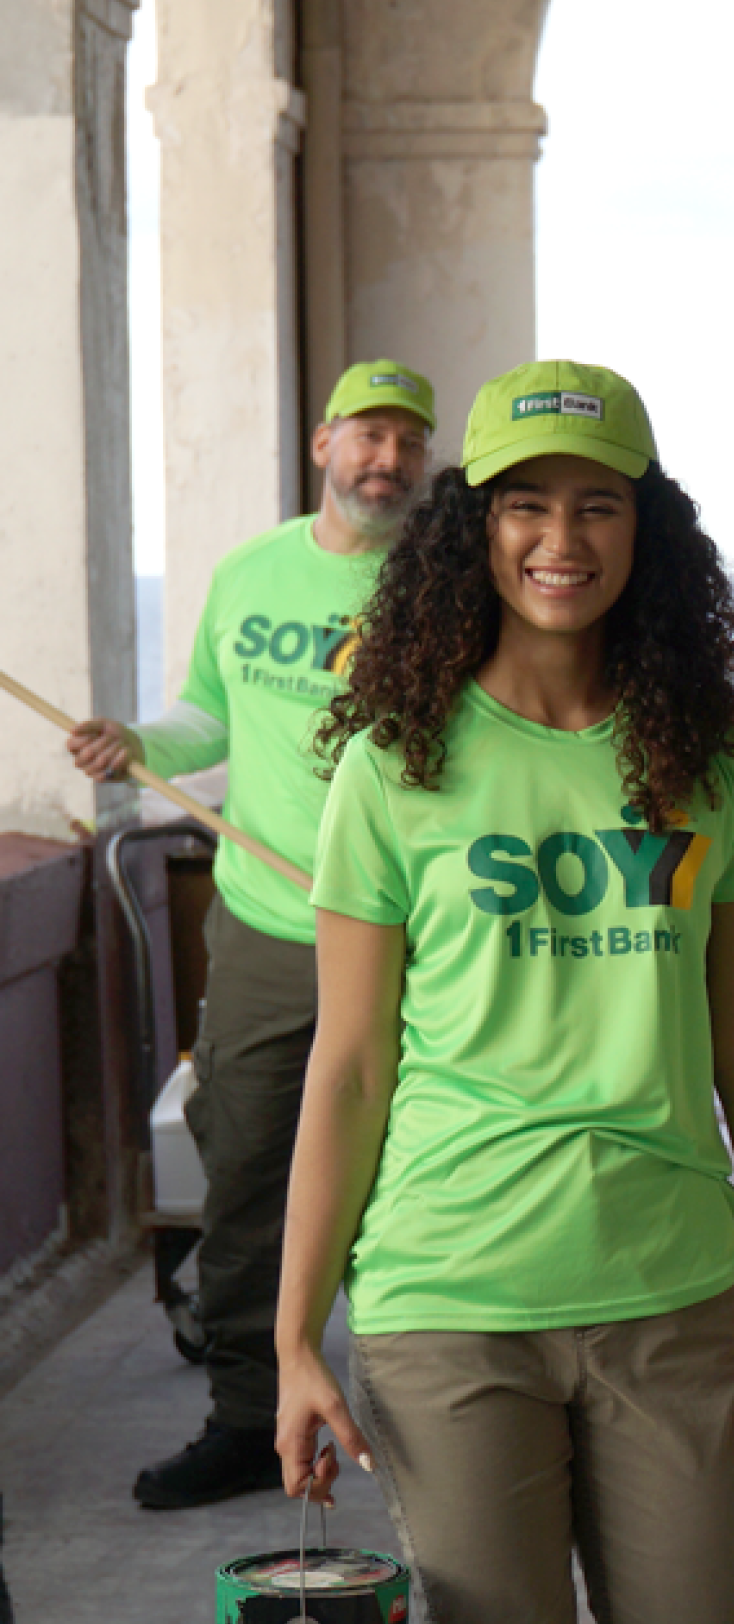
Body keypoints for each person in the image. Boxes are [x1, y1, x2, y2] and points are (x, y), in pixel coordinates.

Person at [270, 360, 734, 1624]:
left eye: (598, 504)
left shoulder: (722, 757)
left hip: (668, 1293)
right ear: (474, 524)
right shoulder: (392, 764)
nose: (560, 539)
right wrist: (295, 1336)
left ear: (650, 528)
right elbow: (352, 1064)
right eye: (525, 502)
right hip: (448, 1299)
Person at [68, 359, 432, 1510]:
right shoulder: (248, 571)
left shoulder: (444, 581)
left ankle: (427, 1410)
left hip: (415, 926)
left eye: (406, 444)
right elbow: (205, 718)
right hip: (272, 928)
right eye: (367, 437)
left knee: (417, 1174)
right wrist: (136, 743)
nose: (386, 461)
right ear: (323, 444)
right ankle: (241, 1418)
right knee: (245, 1174)